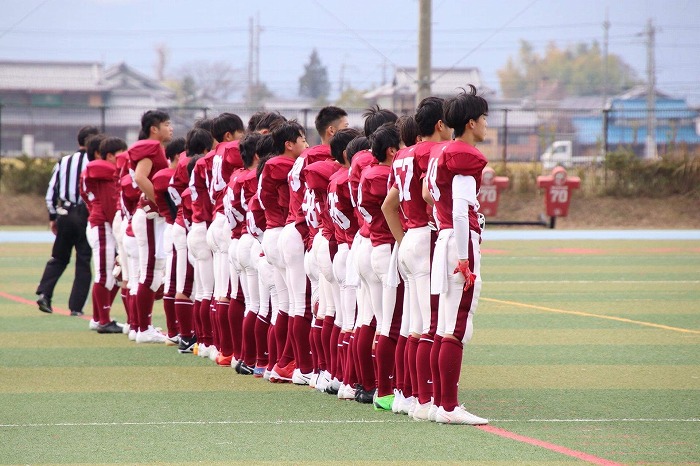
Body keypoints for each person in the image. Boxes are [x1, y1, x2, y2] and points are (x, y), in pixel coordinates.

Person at [382, 96, 453, 420]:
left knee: (411, 326)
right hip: (424, 234)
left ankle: (405, 395)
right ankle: (423, 400)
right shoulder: (434, 151)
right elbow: (428, 192)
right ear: (440, 124)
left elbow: (388, 205)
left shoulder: (403, 156)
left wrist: (405, 239)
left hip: (409, 238)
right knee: (426, 326)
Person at [424, 85, 489, 425]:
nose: (485, 124)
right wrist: (463, 255)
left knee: (444, 325)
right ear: (470, 122)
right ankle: (448, 407)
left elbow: (432, 198)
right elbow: (462, 209)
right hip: (457, 241)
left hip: (443, 238)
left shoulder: (439, 152)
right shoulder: (465, 155)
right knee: (456, 327)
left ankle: (439, 403)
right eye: (482, 118)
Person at [37, 125, 99, 316]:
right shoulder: (96, 163)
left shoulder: (64, 161)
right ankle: (76, 307)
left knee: (59, 257)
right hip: (86, 213)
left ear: (78, 141)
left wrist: (53, 217)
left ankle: (44, 293)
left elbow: (50, 194)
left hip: (64, 211)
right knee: (83, 260)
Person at [129, 109, 173, 344]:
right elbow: (139, 177)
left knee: (148, 271)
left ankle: (139, 326)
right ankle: (143, 328)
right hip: (149, 216)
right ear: (154, 128)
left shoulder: (152, 147)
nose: (171, 128)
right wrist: (159, 200)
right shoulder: (152, 147)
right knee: (150, 272)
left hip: (146, 216)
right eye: (167, 124)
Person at [81, 136, 129, 333]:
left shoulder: (93, 170)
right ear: (106, 155)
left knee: (115, 273)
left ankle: (99, 317)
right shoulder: (102, 170)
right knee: (105, 274)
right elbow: (110, 203)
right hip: (102, 225)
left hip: (98, 222)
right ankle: (103, 320)